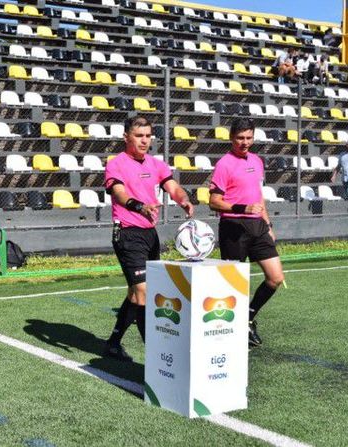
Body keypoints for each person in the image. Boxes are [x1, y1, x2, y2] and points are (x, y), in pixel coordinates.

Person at [103, 116, 194, 361]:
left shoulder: (156, 164)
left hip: (149, 234)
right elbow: (119, 194)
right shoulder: (116, 164)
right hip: (127, 232)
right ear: (126, 137)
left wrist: (183, 199)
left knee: (137, 293)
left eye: (147, 136)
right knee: (143, 292)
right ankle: (155, 354)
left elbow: (173, 187)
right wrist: (139, 206)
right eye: (139, 136)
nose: (144, 141)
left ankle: (113, 342)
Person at [208, 118, 285, 348]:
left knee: (276, 277)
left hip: (258, 226)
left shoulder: (257, 161)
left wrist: (268, 225)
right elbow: (213, 202)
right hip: (233, 227)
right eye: (240, 138)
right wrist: (243, 208)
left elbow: (258, 195)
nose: (245, 142)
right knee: (234, 285)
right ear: (232, 138)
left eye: (249, 138)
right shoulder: (224, 164)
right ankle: (227, 328)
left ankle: (248, 317)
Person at [331, 139, 348, 213]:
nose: (347, 145)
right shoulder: (342, 154)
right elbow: (339, 166)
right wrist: (334, 176)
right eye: (347, 144)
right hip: (344, 178)